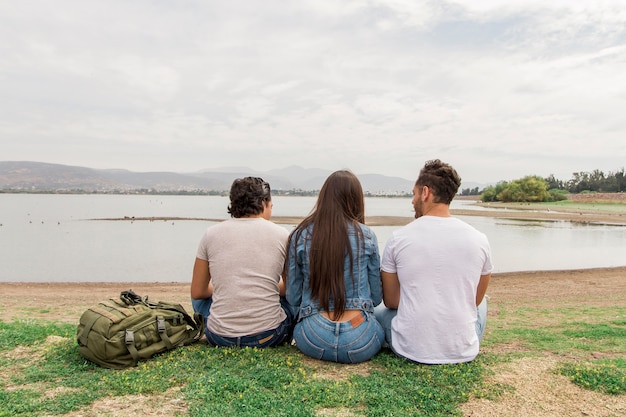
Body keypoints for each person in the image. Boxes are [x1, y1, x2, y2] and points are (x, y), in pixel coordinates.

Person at [374, 159, 493, 364]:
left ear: (425, 193)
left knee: (377, 311)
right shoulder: (479, 239)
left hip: (409, 348)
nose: (412, 200)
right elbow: (474, 300)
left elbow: (391, 301)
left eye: (414, 193)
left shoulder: (398, 239)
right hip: (462, 350)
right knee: (481, 305)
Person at [286, 170, 384, 363]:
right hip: (360, 338)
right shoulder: (367, 236)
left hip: (313, 337)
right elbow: (376, 297)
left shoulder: (300, 235)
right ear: (356, 200)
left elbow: (294, 297)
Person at [190, 176, 294, 348]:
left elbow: (197, 291)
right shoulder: (282, 235)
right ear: (263, 204)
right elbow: (291, 290)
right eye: (271, 206)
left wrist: (229, 286)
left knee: (200, 300)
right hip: (268, 336)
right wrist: (263, 286)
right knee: (292, 301)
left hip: (219, 336)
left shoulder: (211, 234)